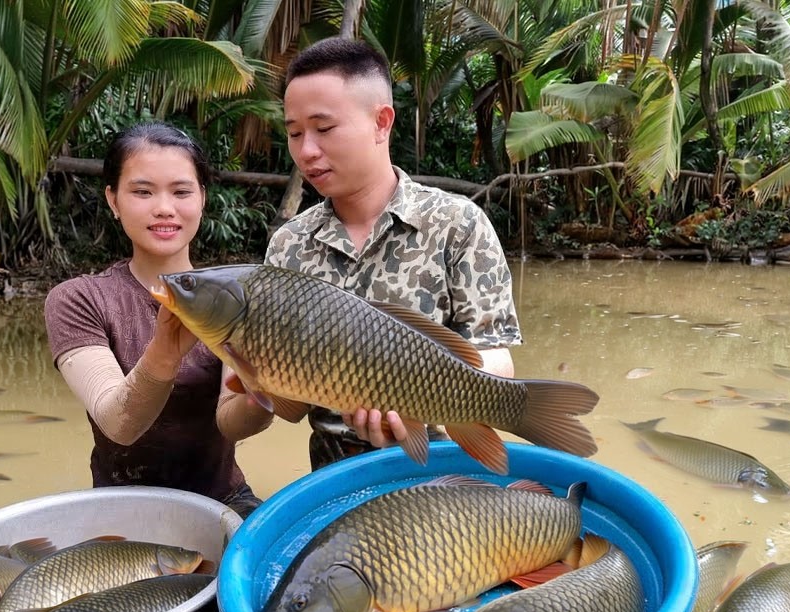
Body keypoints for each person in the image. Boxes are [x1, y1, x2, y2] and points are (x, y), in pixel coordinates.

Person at [264, 38, 523, 471]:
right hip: (332, 475)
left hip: (442, 469)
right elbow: (289, 410)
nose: (306, 150)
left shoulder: (457, 223)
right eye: (294, 133)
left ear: (381, 123)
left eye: (324, 129)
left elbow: (496, 356)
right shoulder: (289, 244)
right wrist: (253, 373)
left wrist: (412, 397)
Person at [44, 122, 273, 517]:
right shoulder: (79, 299)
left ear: (202, 198)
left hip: (223, 501)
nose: (164, 207)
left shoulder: (236, 298)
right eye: (142, 191)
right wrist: (165, 350)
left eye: (181, 192)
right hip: (121, 509)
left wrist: (264, 392)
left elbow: (233, 423)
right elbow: (119, 423)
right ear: (113, 200)